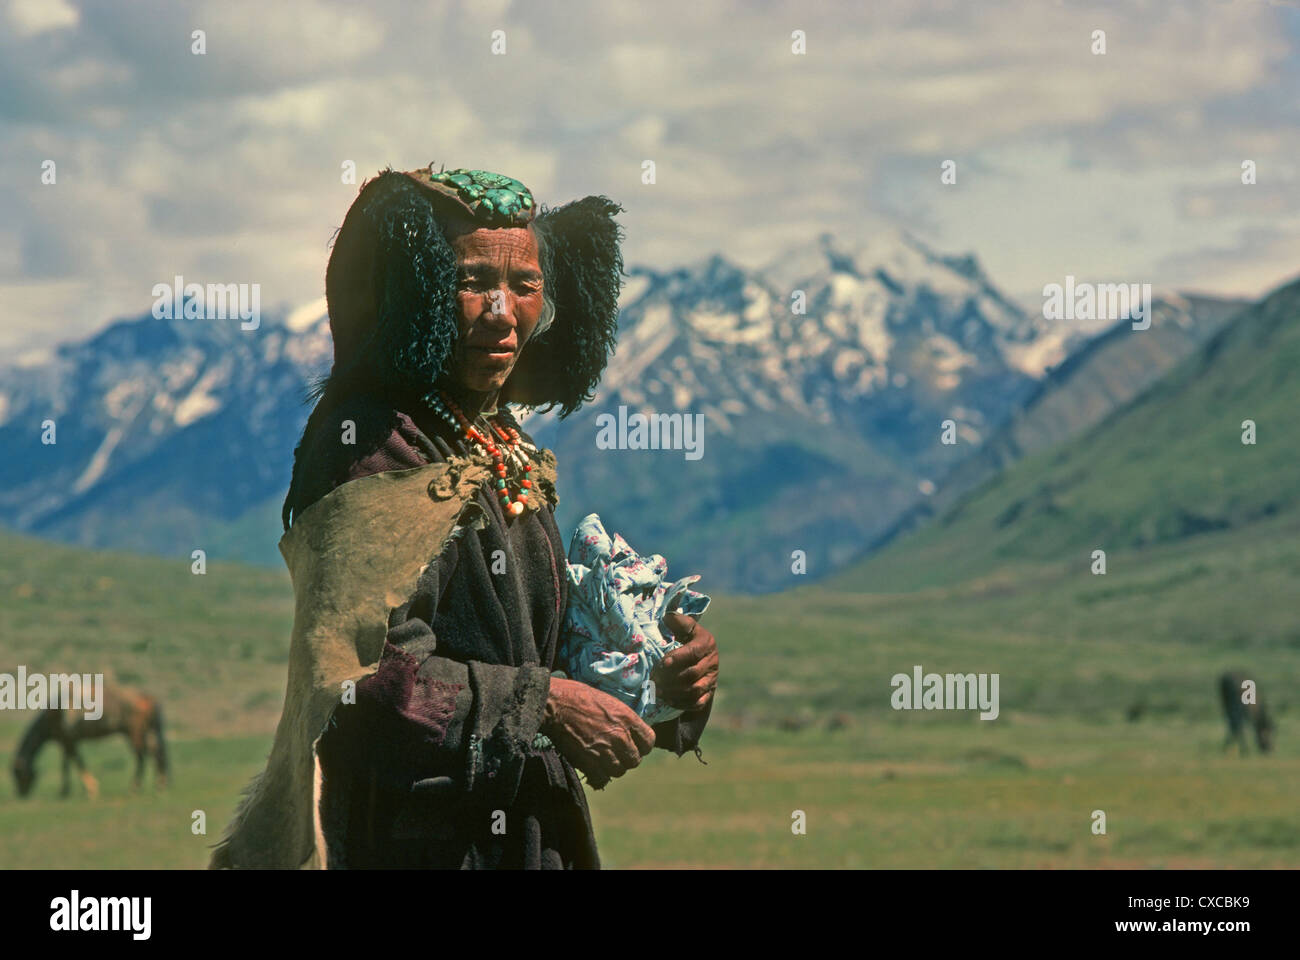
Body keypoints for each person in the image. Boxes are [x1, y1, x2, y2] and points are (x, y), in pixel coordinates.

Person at [210, 166, 719, 869]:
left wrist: (658, 680)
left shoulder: (500, 441)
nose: (501, 312)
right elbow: (361, 681)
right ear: (416, 290)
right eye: (471, 281)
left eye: (524, 285)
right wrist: (542, 705)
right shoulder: (375, 444)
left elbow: (528, 654)